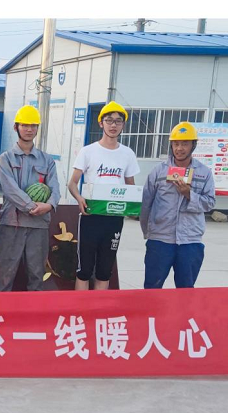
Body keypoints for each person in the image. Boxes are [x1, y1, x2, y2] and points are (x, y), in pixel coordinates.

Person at [66, 101, 140, 291]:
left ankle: (99, 308)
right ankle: (81, 308)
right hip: (91, 216)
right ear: (101, 123)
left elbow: (130, 187)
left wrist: (133, 208)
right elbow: (72, 183)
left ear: (123, 125)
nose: (113, 125)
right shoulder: (88, 151)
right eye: (109, 120)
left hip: (114, 218)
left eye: (118, 121)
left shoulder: (127, 154)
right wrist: (79, 199)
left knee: (104, 271)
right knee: (84, 270)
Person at [0, 106, 61, 291]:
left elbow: (55, 188)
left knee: (37, 274)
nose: (29, 129)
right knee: (4, 273)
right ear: (16, 127)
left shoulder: (47, 160)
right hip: (12, 223)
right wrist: (31, 207)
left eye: (33, 125)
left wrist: (49, 205)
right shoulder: (6, 158)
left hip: (39, 225)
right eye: (25, 125)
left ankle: (34, 310)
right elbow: (10, 189)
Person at [141, 122, 215, 289]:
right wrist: (149, 233)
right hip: (160, 240)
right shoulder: (158, 171)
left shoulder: (204, 173)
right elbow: (146, 204)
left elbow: (210, 203)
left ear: (193, 145)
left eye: (184, 144)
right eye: (176, 144)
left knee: (186, 289)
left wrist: (189, 194)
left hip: (190, 241)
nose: (179, 148)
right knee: (152, 288)